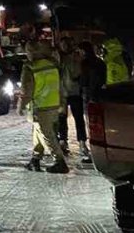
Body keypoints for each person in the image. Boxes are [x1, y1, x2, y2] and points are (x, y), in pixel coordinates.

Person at [20, 42, 68, 173]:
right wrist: (62, 102)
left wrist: (21, 106)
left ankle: (60, 161)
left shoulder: (30, 67)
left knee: (46, 134)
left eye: (28, 51)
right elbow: (60, 85)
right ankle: (35, 159)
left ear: (33, 52)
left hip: (40, 106)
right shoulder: (52, 64)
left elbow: (26, 90)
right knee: (38, 131)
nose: (27, 54)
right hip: (53, 104)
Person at [57, 35, 88, 160]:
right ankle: (63, 141)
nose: (65, 46)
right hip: (62, 93)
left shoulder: (76, 57)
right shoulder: (58, 58)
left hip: (74, 92)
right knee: (62, 119)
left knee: (79, 119)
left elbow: (78, 74)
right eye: (63, 44)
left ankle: (82, 142)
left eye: (67, 44)